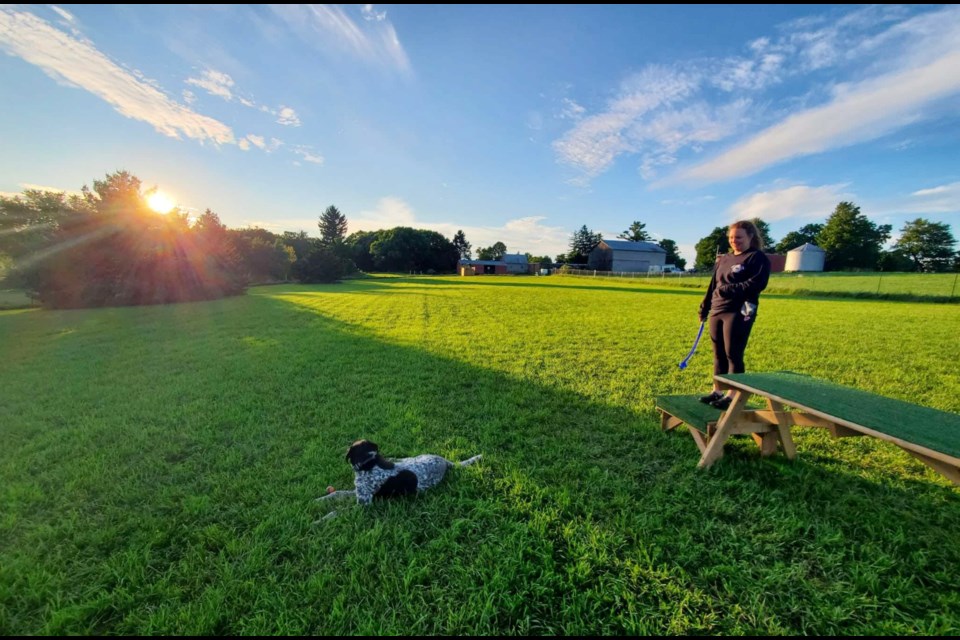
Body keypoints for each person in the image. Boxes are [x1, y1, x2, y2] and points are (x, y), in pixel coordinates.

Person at [697, 220, 771, 410]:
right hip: (718, 309)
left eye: (738, 237)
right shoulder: (725, 259)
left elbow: (757, 284)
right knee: (718, 354)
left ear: (750, 237)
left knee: (733, 353)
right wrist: (705, 307)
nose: (734, 241)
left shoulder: (757, 258)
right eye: (731, 237)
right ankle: (718, 390)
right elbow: (714, 285)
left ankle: (733, 395)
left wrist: (729, 290)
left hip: (741, 310)